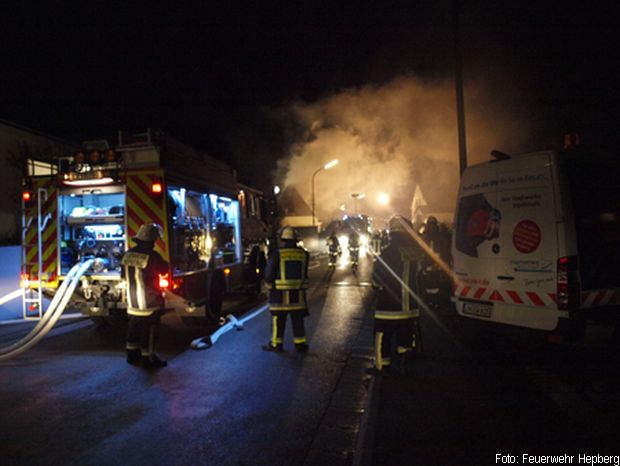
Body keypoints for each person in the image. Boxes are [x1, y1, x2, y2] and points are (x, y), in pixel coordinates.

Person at [368, 215, 422, 374]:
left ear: (392, 232)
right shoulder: (416, 252)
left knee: (381, 335)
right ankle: (405, 364)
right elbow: (419, 274)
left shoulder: (387, 253)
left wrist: (378, 287)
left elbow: (376, 280)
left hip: (388, 306)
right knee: (405, 336)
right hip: (410, 306)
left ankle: (382, 366)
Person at [122, 223, 169, 369]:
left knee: (134, 327)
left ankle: (131, 355)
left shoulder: (128, 254)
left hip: (132, 301)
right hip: (149, 301)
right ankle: (149, 358)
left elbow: (123, 275)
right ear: (152, 240)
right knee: (150, 330)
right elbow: (164, 269)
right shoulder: (152, 256)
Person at [262, 226, 310, 353]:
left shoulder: (277, 254)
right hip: (298, 296)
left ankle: (276, 344)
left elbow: (269, 273)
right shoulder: (304, 254)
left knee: (278, 320)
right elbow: (304, 274)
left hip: (279, 295)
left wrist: (269, 284)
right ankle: (300, 344)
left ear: (282, 239)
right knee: (298, 321)